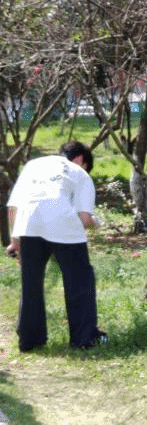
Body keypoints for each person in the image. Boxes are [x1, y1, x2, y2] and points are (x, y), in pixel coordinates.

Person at [5, 140, 108, 352]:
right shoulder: (80, 174)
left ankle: (30, 340)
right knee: (80, 280)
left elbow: (13, 207)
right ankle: (84, 338)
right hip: (63, 223)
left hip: (28, 225)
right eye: (86, 166)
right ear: (80, 160)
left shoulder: (33, 165)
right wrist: (98, 223)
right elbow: (84, 219)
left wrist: (15, 242)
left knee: (31, 283)